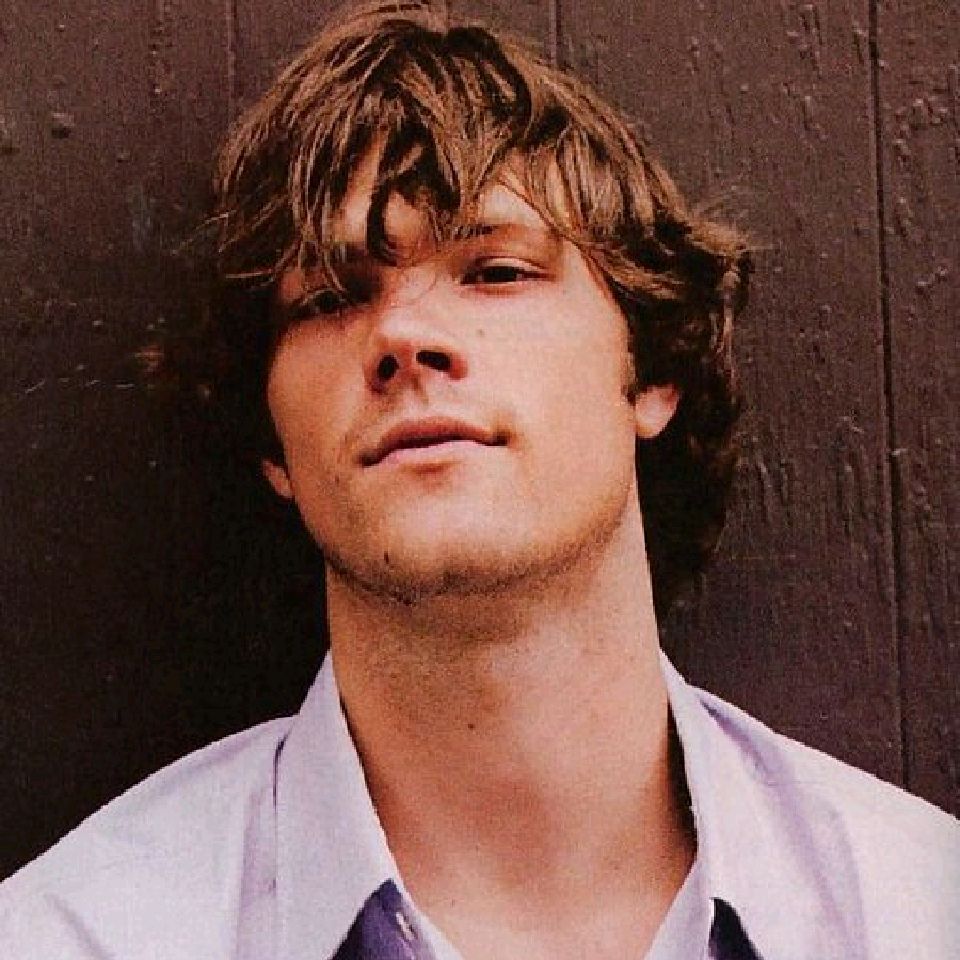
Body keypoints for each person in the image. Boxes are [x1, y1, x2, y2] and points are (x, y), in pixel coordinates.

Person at [1, 2, 957, 957]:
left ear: (654, 366)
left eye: (497, 271)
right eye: (330, 296)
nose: (403, 334)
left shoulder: (917, 914)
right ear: (271, 444)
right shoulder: (79, 937)